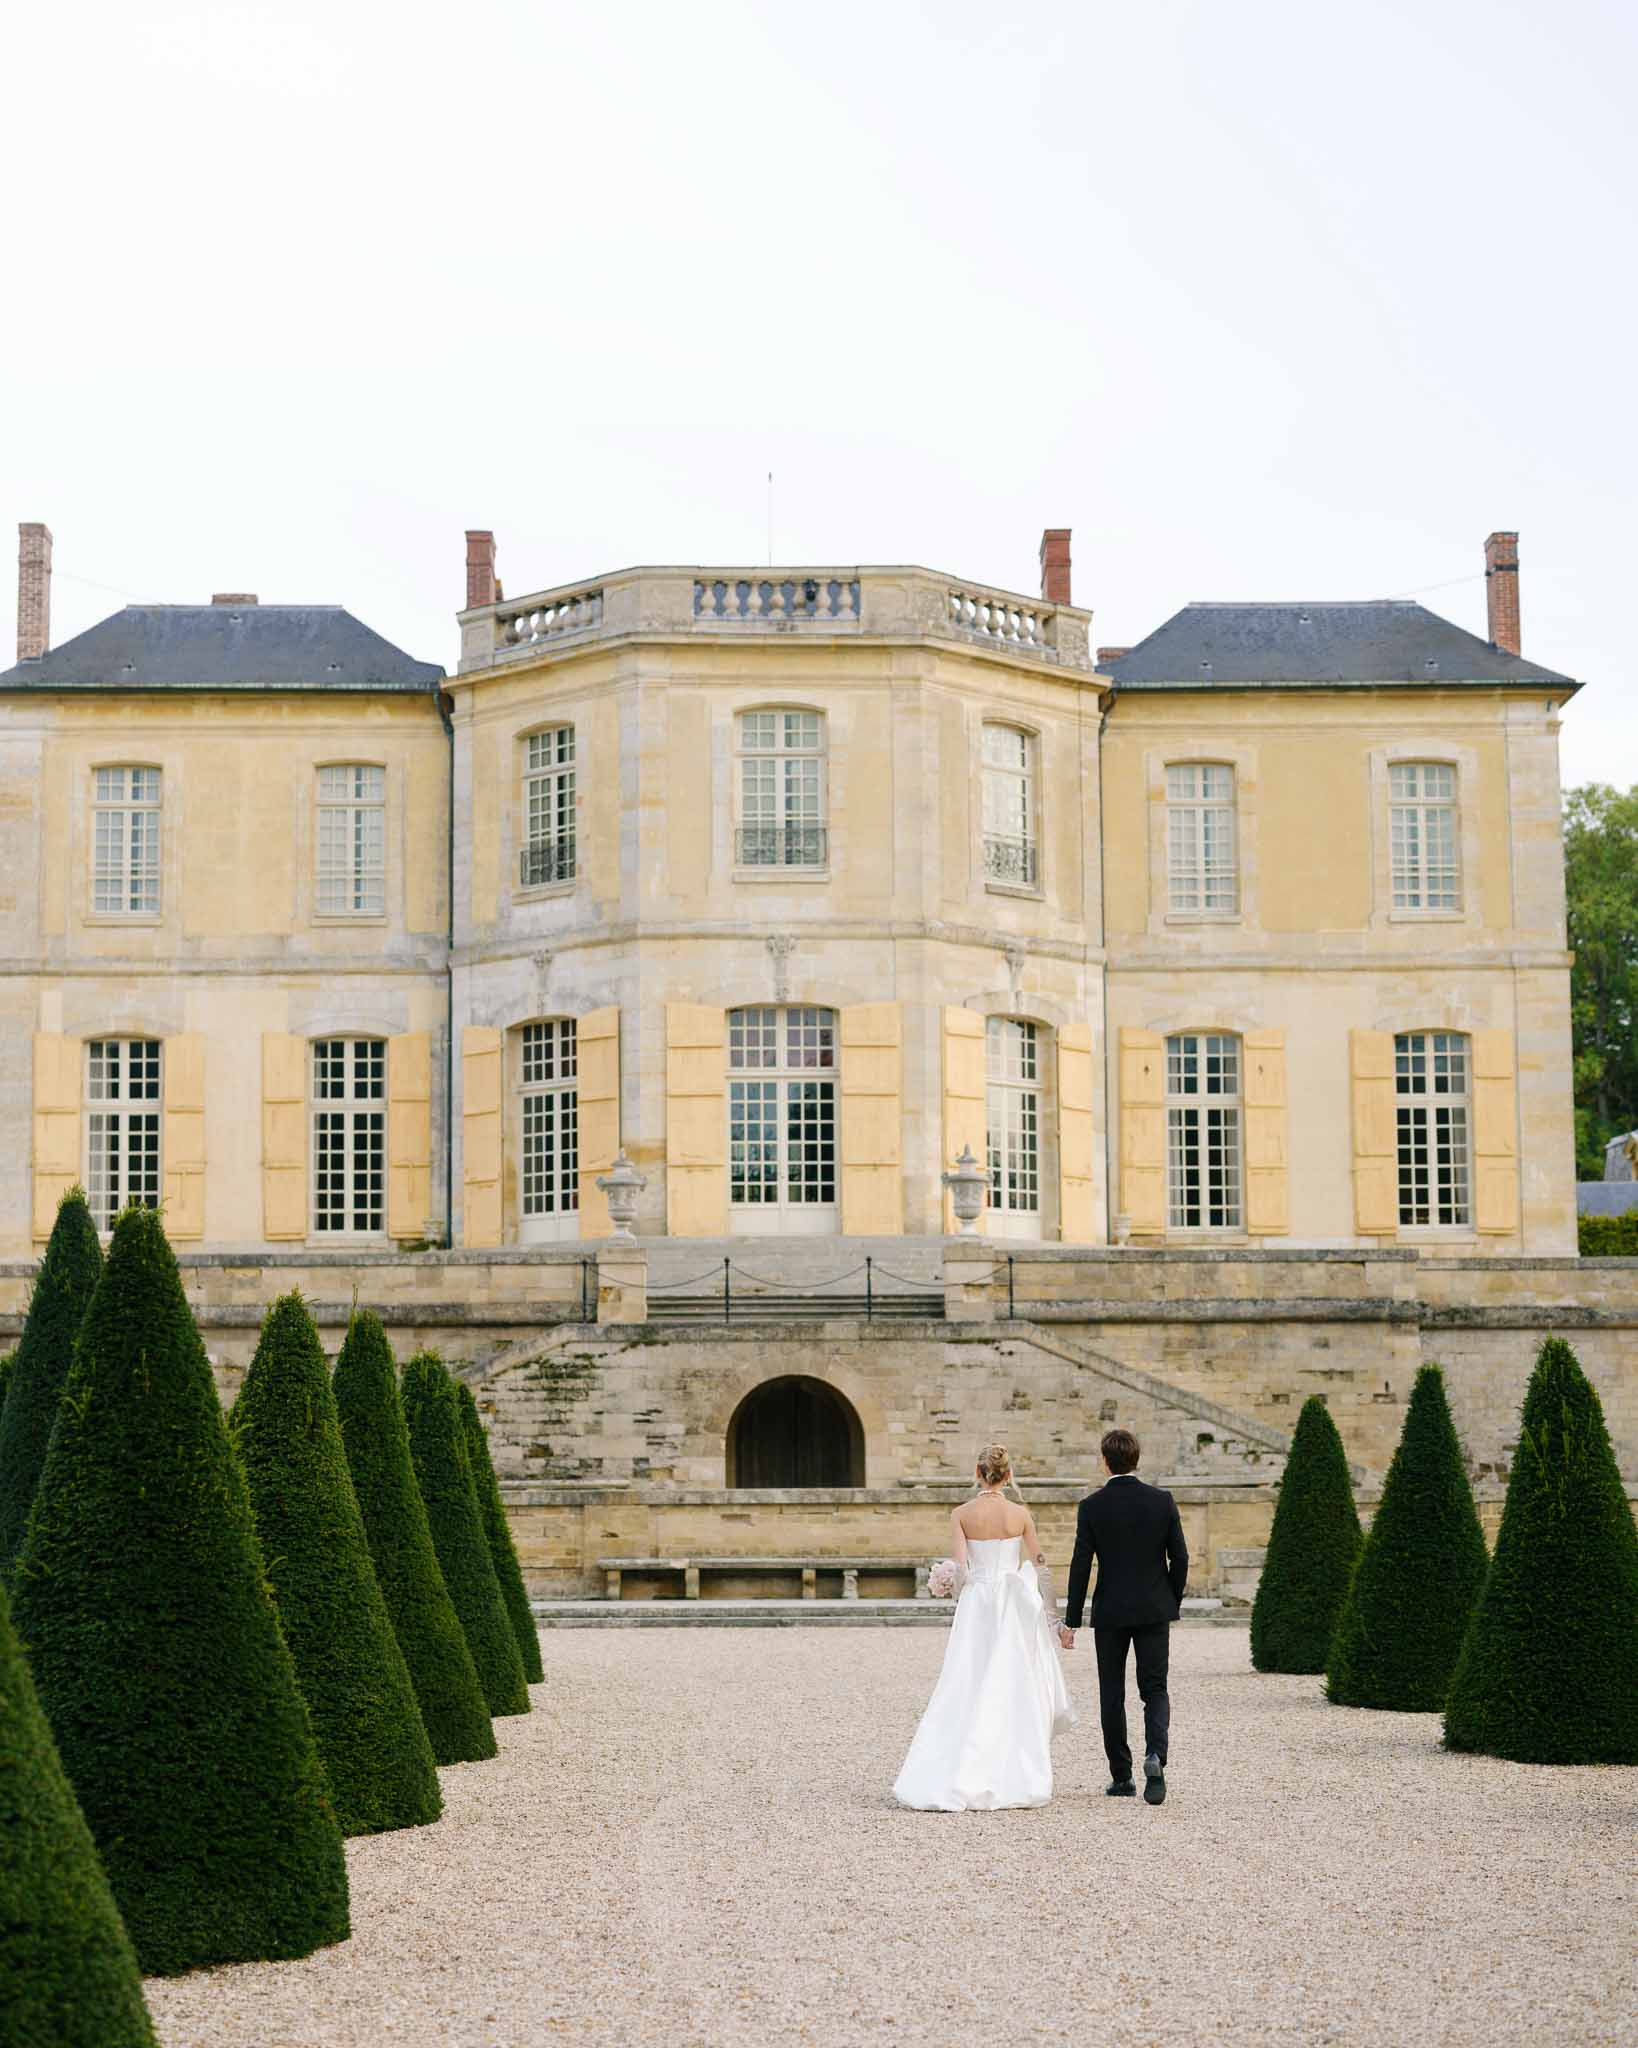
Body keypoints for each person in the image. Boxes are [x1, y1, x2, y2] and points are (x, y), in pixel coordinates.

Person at [893, 1444, 1075, 1811]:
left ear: (977, 1472)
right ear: (1008, 1475)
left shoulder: (961, 1514)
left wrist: (949, 1585)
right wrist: (1055, 1619)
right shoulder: (1020, 1514)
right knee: (1013, 1683)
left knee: (968, 1679)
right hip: (1014, 1603)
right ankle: (1016, 1771)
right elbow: (1041, 1566)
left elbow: (961, 1570)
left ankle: (962, 1766)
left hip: (978, 1604)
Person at [1061, 1428, 1189, 1806]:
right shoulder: (1162, 1501)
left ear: (1105, 1462)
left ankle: (1122, 1776)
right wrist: (1171, 1599)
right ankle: (1156, 1755)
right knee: (1155, 1689)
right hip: (1153, 1608)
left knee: (1112, 1693)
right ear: (1137, 1459)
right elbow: (1179, 1558)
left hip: (1111, 1611)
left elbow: (1081, 1565)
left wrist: (1072, 1619)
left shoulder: (1092, 1507)